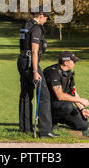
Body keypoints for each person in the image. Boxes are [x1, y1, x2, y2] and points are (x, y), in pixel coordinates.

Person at [17, 8, 56, 138]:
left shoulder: (25, 25)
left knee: (26, 95)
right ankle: (45, 131)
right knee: (44, 95)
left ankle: (25, 129)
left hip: (22, 61)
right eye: (46, 18)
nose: (45, 21)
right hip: (30, 63)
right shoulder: (37, 28)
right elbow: (34, 51)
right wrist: (35, 71)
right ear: (41, 15)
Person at [44, 51, 89, 132]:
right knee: (67, 107)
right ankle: (51, 122)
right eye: (73, 61)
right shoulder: (52, 72)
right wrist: (80, 100)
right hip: (51, 104)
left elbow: (73, 92)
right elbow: (60, 96)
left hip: (64, 105)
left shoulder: (69, 73)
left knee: (83, 125)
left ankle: (61, 119)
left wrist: (82, 108)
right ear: (66, 62)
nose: (75, 63)